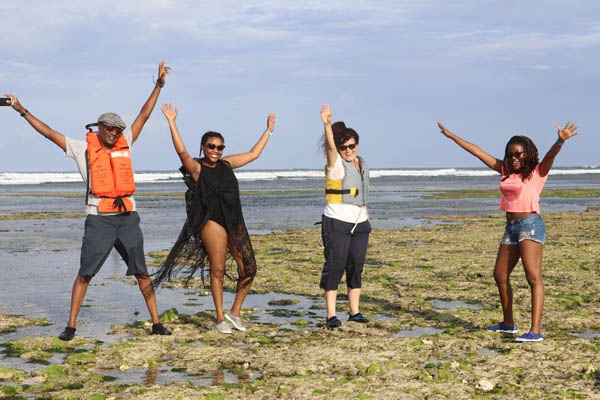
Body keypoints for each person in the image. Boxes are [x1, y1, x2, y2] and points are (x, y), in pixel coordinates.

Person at [4, 60, 173, 341]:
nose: (114, 133)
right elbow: (47, 132)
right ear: (99, 127)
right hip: (99, 220)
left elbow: (144, 115)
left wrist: (159, 84)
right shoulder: (82, 148)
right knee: (85, 274)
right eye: (109, 128)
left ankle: (156, 322)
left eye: (118, 130)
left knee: (142, 272)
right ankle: (71, 326)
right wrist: (22, 110)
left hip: (128, 218)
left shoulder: (126, 142)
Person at [438, 121, 579, 342]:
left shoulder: (537, 171)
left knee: (533, 277)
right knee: (500, 275)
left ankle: (535, 331)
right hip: (511, 228)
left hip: (530, 225)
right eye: (510, 154)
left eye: (518, 154)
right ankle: (508, 323)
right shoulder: (504, 170)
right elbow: (477, 152)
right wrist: (451, 136)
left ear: (527, 154)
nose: (514, 158)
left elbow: (550, 156)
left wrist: (560, 141)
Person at [154, 103, 276, 334]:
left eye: (219, 147)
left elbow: (253, 154)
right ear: (203, 147)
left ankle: (235, 313)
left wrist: (268, 130)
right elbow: (181, 152)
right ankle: (220, 317)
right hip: (212, 221)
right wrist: (172, 122)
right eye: (211, 146)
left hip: (234, 220)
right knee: (218, 270)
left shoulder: (227, 164)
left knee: (249, 268)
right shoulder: (198, 169)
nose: (216, 150)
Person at [319, 104, 371, 329]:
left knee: (356, 266)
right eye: (344, 147)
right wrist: (327, 125)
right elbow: (330, 147)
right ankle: (331, 315)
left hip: (360, 223)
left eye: (351, 146)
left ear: (357, 144)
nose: (348, 150)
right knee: (335, 265)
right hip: (337, 221)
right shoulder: (336, 165)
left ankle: (354, 311)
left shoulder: (362, 163)